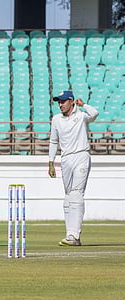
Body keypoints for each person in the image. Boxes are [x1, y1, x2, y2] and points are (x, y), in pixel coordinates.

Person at [48, 90, 99, 246]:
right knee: (68, 196)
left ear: (71, 101)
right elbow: (53, 141)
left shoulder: (81, 116)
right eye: (58, 102)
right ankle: (69, 234)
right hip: (66, 159)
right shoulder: (56, 119)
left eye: (63, 101)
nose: (60, 105)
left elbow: (95, 113)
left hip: (81, 155)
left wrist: (83, 105)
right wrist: (51, 162)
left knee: (76, 194)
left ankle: (74, 235)